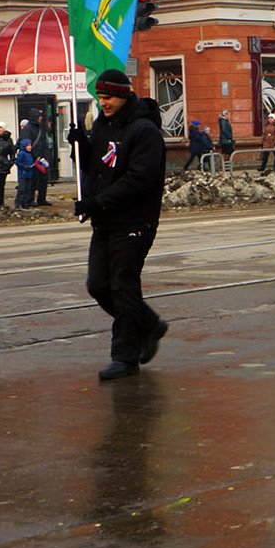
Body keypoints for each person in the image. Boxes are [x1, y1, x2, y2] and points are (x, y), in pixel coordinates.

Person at [77, 68, 170, 380]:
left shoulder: (144, 131)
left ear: (124, 94)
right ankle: (149, 324)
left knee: (122, 286)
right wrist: (82, 148)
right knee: (98, 285)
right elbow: (100, 166)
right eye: (101, 97)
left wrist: (98, 201)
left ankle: (125, 357)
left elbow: (138, 179)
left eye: (110, 97)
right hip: (106, 220)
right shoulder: (104, 125)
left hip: (134, 220)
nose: (104, 103)